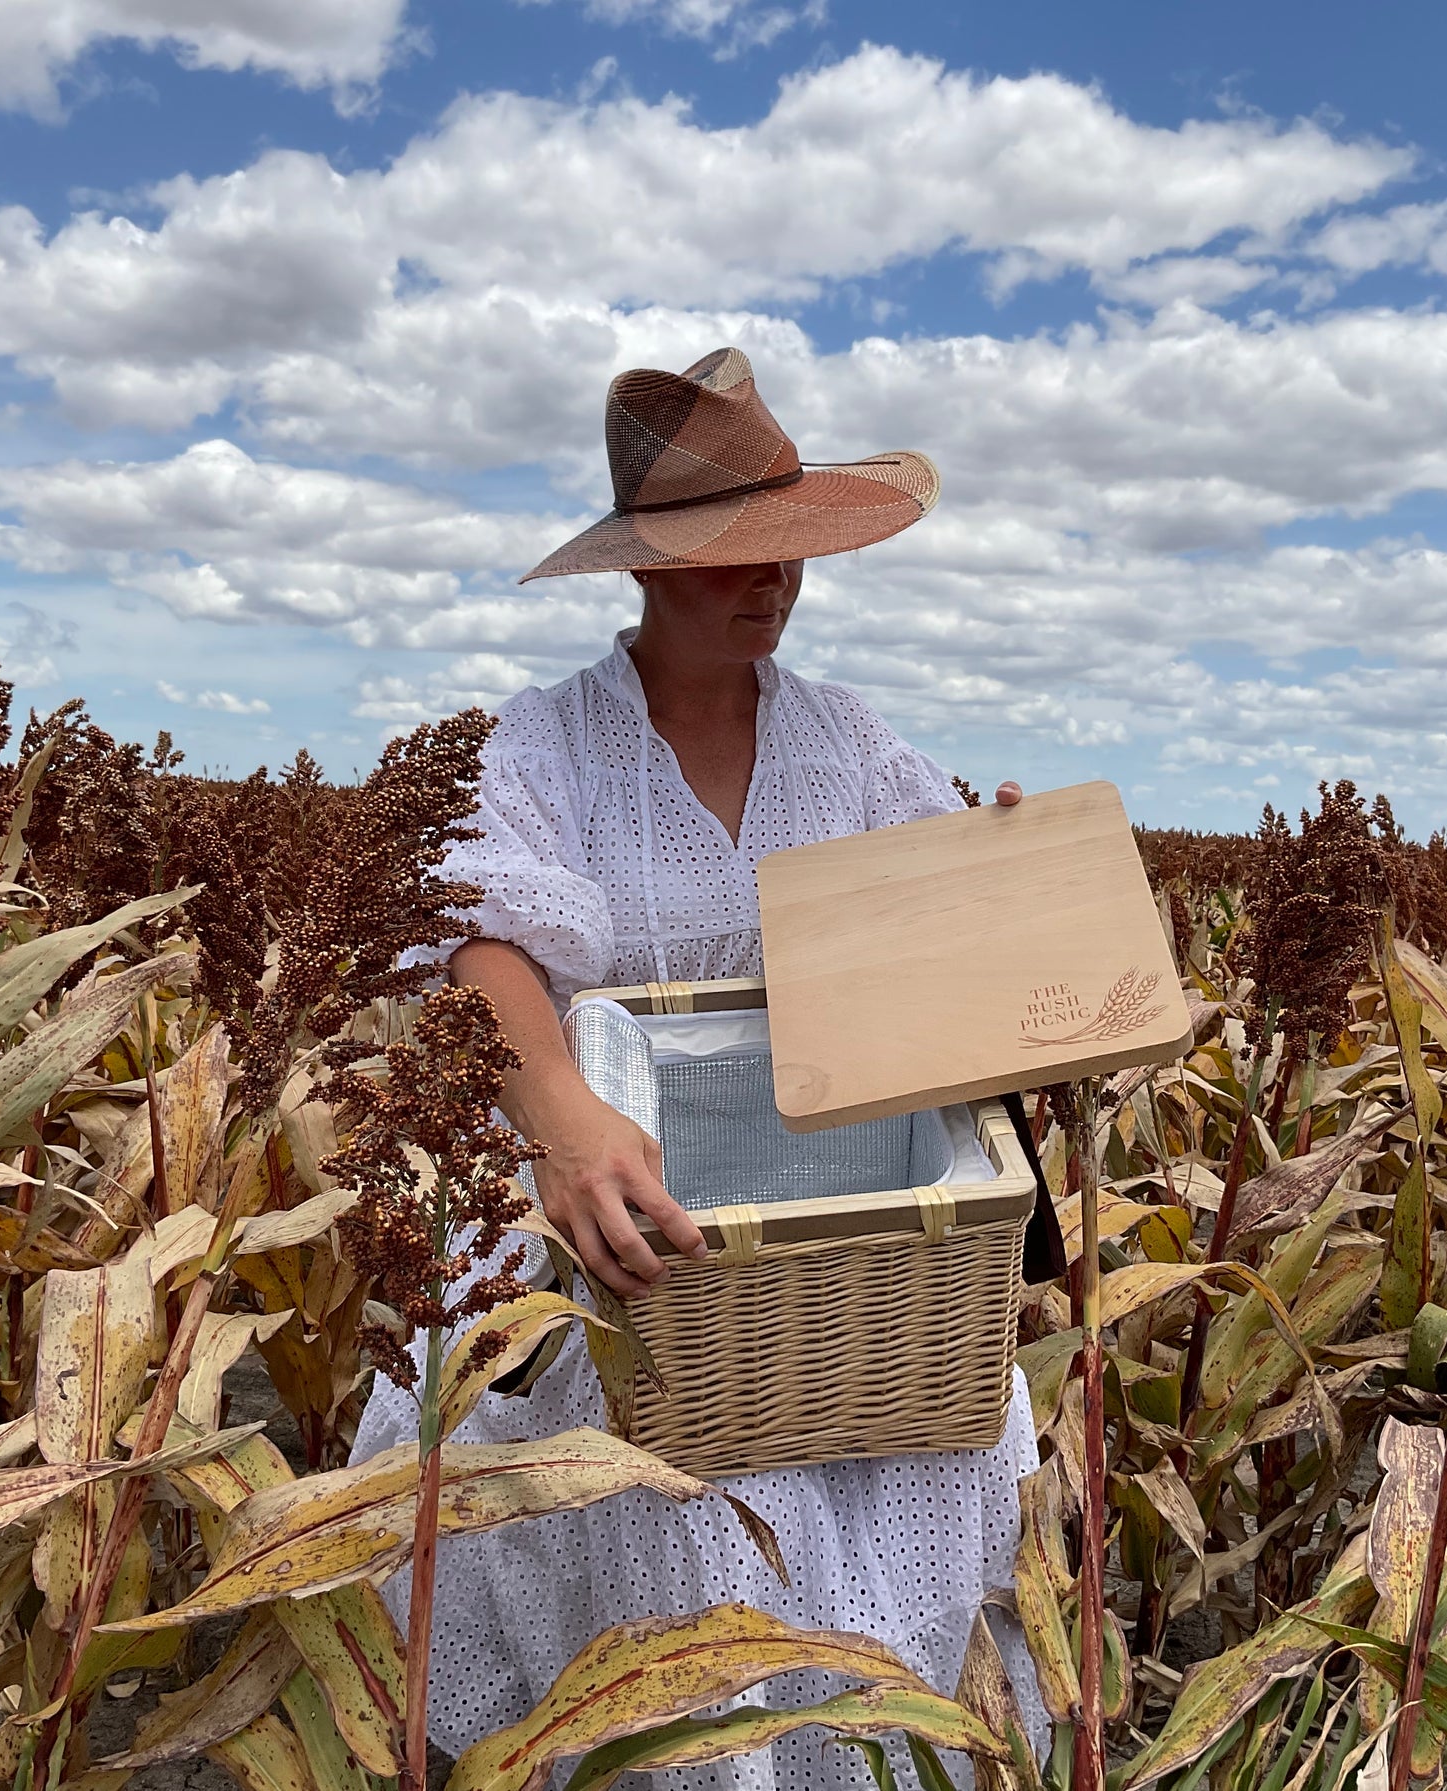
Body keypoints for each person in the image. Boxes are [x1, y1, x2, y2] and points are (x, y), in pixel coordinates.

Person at [350, 348, 1040, 1789]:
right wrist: (562, 1114)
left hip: (854, 1270)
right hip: (631, 1230)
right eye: (735, 552)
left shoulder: (847, 740)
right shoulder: (548, 745)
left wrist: (1004, 882)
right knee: (666, 1503)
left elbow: (932, 937)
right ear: (647, 570)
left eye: (788, 549)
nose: (772, 579)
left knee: (933, 1447)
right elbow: (487, 944)